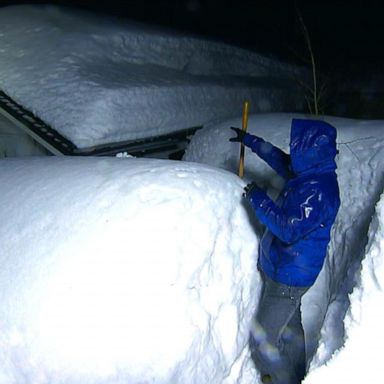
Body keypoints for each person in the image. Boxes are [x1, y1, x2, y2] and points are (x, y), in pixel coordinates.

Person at [229, 119, 340, 384]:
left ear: (310, 150)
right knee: (289, 328)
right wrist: (251, 141)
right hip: (288, 268)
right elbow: (281, 161)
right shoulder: (310, 172)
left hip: (290, 276)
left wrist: (256, 196)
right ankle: (296, 375)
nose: (292, 149)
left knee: (262, 341)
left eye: (298, 146)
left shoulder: (318, 191)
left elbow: (288, 229)